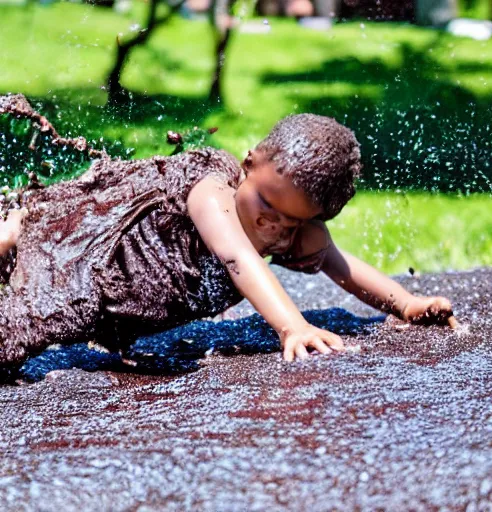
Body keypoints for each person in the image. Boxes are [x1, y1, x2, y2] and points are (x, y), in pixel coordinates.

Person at [0, 113, 452, 369]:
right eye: (266, 205)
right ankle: (17, 227)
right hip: (78, 257)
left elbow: (338, 263)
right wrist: (292, 325)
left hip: (115, 312)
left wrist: (406, 305)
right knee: (22, 324)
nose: (271, 226)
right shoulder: (210, 187)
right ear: (248, 163)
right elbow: (235, 254)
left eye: (292, 223)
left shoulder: (291, 231)